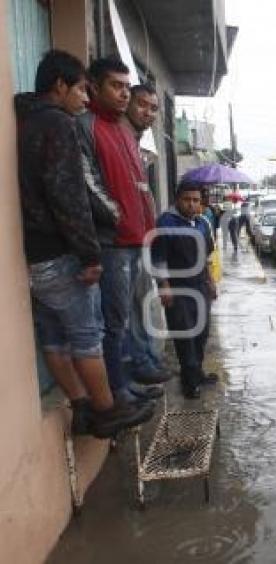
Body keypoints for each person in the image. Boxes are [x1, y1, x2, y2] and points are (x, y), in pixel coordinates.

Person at [16, 50, 152, 437]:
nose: (84, 97)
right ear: (60, 86)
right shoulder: (62, 125)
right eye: (80, 89)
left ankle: (81, 407)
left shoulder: (29, 120)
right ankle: (107, 410)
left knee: (55, 335)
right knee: (88, 335)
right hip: (61, 252)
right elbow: (69, 196)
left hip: (36, 253)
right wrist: (90, 253)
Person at [77, 57, 160, 405]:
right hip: (111, 242)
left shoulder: (123, 132)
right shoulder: (85, 126)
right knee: (114, 321)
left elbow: (138, 185)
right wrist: (120, 217)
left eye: (127, 86)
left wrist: (145, 224)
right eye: (116, 85)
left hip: (133, 240)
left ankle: (126, 381)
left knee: (125, 317)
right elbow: (87, 181)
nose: (124, 94)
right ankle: (118, 390)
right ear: (94, 87)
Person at [152, 183, 218, 399]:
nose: (192, 204)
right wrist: (164, 287)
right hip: (178, 289)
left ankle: (197, 373)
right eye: (187, 199)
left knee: (201, 333)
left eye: (196, 200)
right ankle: (189, 383)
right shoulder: (165, 223)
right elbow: (159, 258)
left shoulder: (201, 223)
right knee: (185, 336)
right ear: (177, 200)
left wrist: (211, 282)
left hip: (200, 287)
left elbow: (206, 257)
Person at [121, 82, 166, 386]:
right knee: (126, 312)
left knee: (141, 305)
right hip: (121, 240)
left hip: (140, 239)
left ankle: (147, 360)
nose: (147, 112)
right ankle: (138, 366)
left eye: (153, 108)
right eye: (142, 104)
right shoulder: (116, 137)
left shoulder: (136, 144)